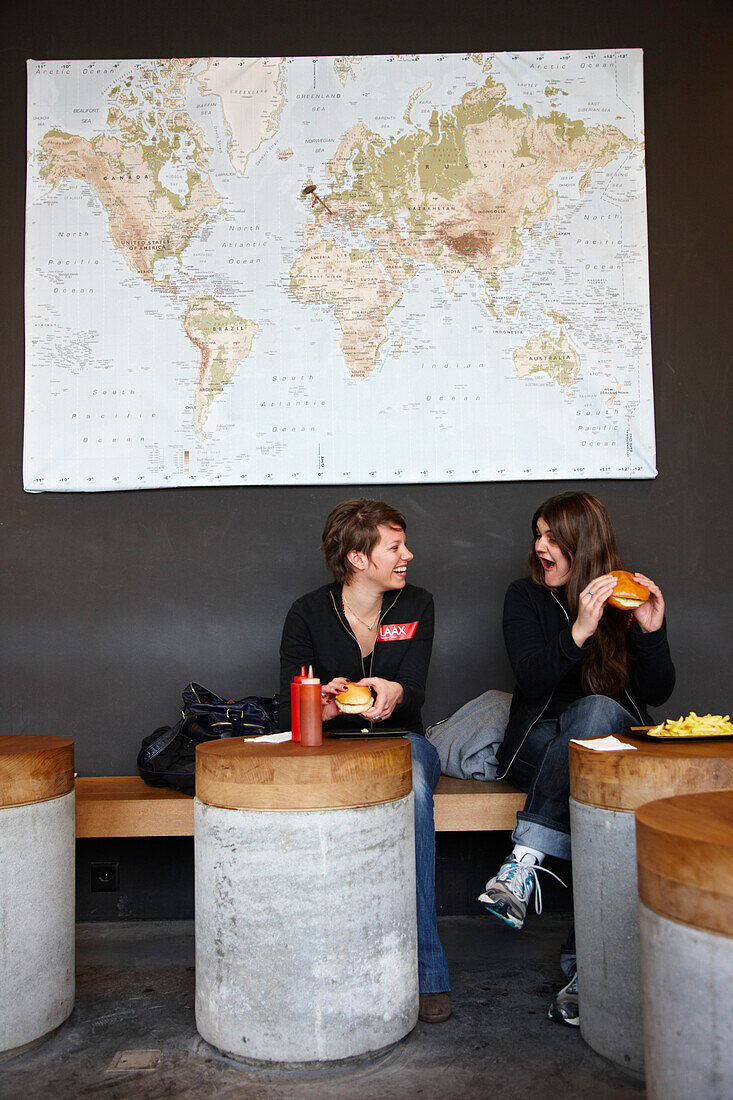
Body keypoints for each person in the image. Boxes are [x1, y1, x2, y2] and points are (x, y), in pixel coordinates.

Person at [479, 490, 675, 1025]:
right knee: (591, 767)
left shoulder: (623, 598)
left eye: (552, 537)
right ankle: (587, 972)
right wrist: (579, 630)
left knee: (597, 716)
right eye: (537, 535)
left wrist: (652, 635)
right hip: (538, 746)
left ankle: (523, 864)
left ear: (581, 544)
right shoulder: (523, 597)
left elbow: (656, 694)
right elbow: (533, 676)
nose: (540, 546)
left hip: (610, 749)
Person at [279, 498, 452, 1023]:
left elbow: (416, 691)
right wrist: (323, 703)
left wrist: (395, 690)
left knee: (416, 788)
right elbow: (289, 700)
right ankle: (311, 969)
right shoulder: (307, 613)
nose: (408, 556)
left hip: (403, 743)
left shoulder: (417, 604)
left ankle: (427, 971)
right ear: (357, 558)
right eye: (395, 547)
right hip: (329, 750)